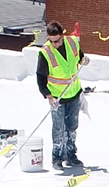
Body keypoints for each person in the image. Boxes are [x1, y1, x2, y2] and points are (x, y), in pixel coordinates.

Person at [34, 21, 87, 170]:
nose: (54, 44)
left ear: (62, 36)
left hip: (74, 93)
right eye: (51, 41)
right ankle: (56, 157)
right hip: (57, 97)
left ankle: (71, 155)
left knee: (72, 126)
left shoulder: (72, 42)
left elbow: (80, 57)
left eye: (56, 41)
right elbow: (40, 77)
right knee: (58, 128)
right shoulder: (46, 53)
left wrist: (84, 60)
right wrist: (48, 96)